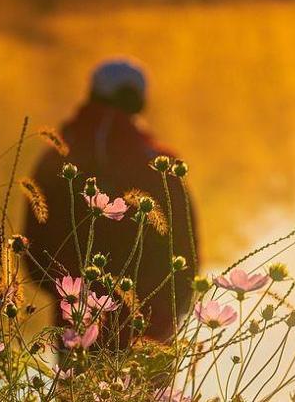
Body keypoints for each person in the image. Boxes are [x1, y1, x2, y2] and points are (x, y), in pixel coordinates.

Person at [23, 58, 200, 343]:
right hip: (150, 324)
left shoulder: (55, 158)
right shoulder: (159, 164)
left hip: (77, 318)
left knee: (77, 387)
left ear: (92, 94)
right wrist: (173, 308)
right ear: (139, 101)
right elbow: (186, 245)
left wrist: (69, 294)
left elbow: (34, 246)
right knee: (147, 389)